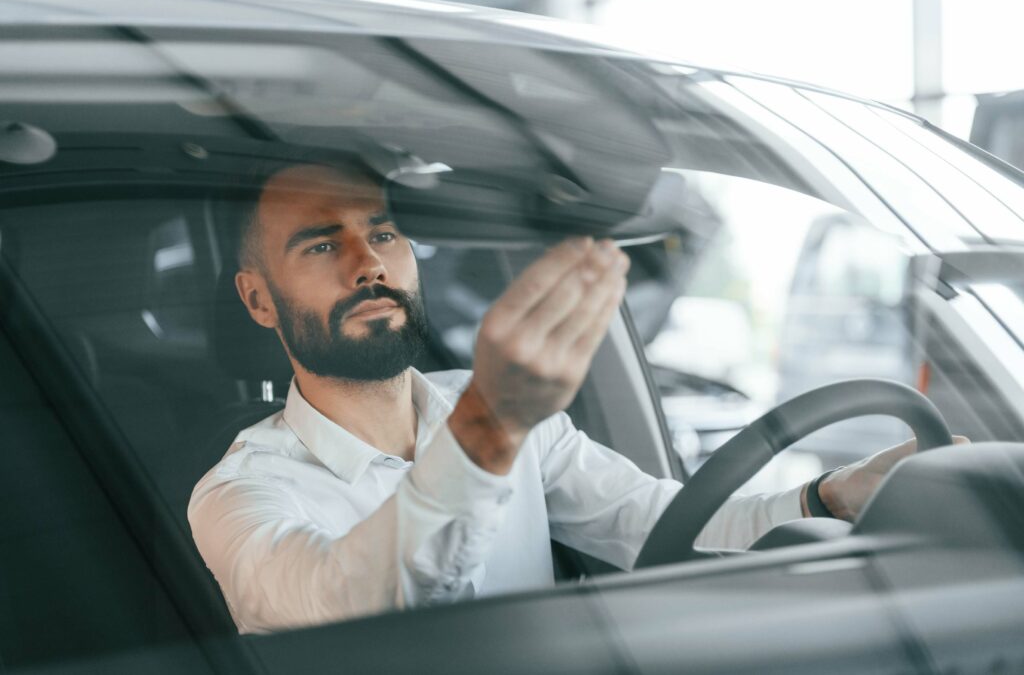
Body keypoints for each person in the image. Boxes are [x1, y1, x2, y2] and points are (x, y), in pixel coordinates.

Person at [189, 160, 932, 634]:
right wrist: (491, 424)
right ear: (258, 300)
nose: (367, 264)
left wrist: (828, 497)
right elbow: (357, 603)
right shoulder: (236, 495)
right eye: (321, 245)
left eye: (383, 233)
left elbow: (668, 528)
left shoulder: (510, 420)